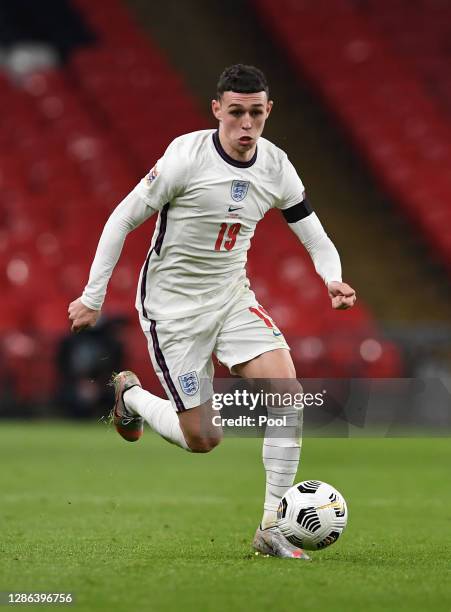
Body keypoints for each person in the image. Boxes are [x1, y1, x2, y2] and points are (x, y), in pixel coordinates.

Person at [68, 64, 356, 560]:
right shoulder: (185, 158)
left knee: (287, 394)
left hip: (231, 299)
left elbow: (314, 234)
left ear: (269, 112)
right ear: (217, 110)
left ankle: (273, 527)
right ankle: (130, 396)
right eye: (237, 113)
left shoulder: (276, 166)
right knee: (203, 439)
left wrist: (332, 277)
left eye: (257, 114)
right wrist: (93, 296)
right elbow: (122, 218)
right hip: (172, 312)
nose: (247, 125)